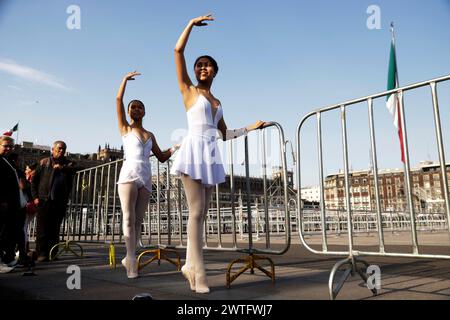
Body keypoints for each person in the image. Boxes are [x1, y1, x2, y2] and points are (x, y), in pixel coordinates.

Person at [171, 14, 265, 293]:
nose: (202, 68)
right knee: (196, 211)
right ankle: (198, 272)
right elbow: (177, 51)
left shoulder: (218, 101)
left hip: (211, 154)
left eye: (207, 65)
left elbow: (225, 134)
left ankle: (190, 264)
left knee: (202, 212)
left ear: (215, 71)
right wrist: (189, 24)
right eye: (198, 64)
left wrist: (252, 127)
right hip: (193, 149)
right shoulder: (188, 91)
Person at [116, 71, 178, 278]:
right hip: (129, 174)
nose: (136, 109)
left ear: (144, 112)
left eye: (139, 106)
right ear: (128, 111)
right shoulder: (125, 128)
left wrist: (176, 147)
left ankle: (130, 256)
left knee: (138, 220)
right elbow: (118, 99)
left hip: (145, 175)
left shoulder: (150, 134)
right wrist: (124, 80)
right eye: (132, 106)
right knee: (128, 217)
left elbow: (161, 157)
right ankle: (131, 259)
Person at [31, 141, 78, 262]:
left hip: (59, 202)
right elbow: (34, 181)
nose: (61, 151)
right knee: (42, 229)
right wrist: (35, 197)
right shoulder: (44, 162)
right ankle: (41, 253)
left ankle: (53, 253)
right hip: (43, 200)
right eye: (59, 148)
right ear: (53, 149)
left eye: (63, 149)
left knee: (55, 229)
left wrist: (62, 168)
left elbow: (78, 168)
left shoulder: (68, 163)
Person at [0, 136, 21, 267]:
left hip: (11, 204)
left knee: (8, 233)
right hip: (3, 203)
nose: (8, 149)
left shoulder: (7, 161)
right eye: (5, 146)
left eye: (11, 146)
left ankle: (7, 258)